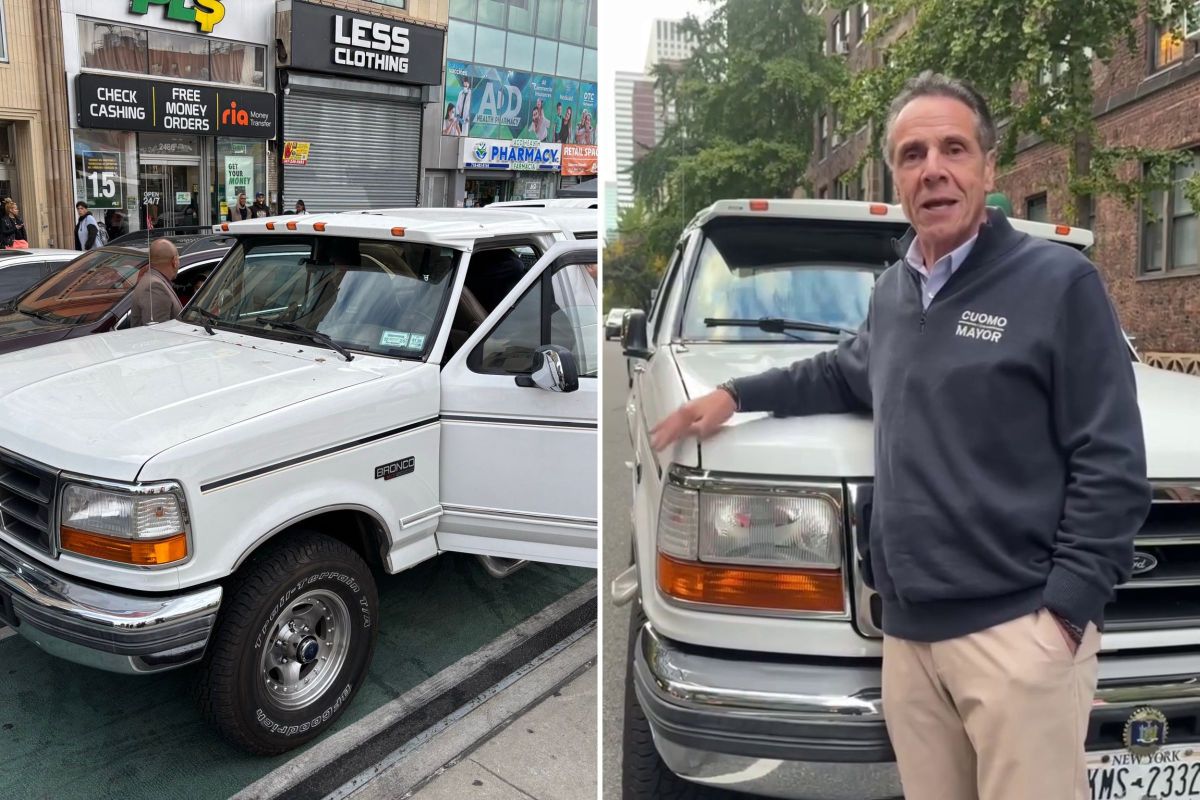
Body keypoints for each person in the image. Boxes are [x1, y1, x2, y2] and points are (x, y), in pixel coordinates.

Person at [649, 71, 1152, 800]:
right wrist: (733, 395)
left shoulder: (1056, 283)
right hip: (909, 642)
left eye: (954, 149)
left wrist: (1063, 620)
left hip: (1017, 637)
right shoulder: (895, 291)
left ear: (988, 167)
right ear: (896, 177)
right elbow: (840, 372)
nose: (934, 170)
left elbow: (1111, 459)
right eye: (913, 155)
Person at [130, 238, 183, 327]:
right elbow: (158, 334)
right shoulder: (155, 287)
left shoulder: (152, 280)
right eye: (178, 258)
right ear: (174, 261)